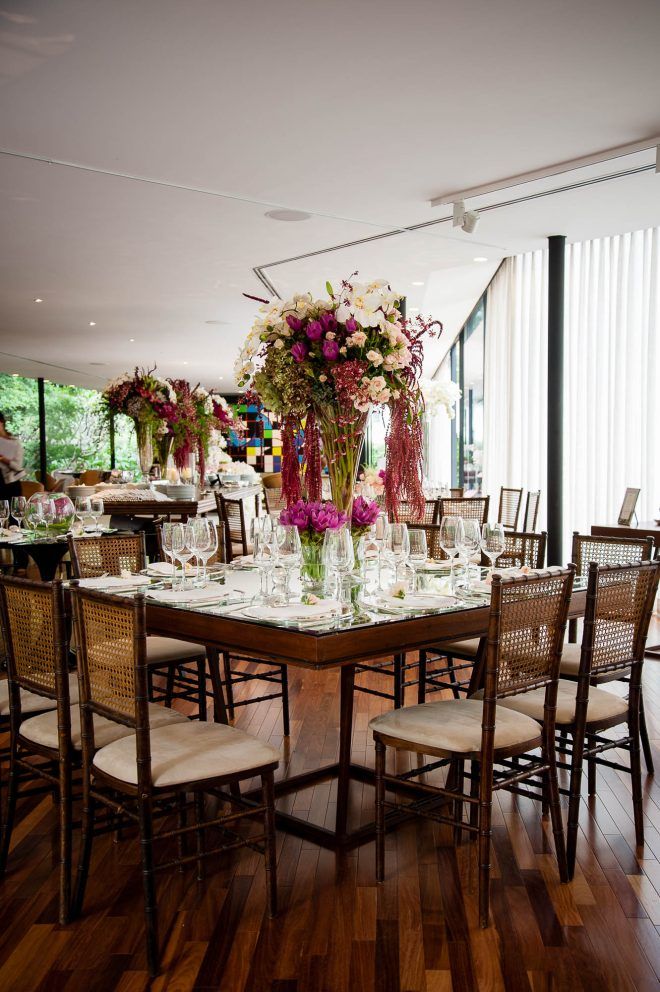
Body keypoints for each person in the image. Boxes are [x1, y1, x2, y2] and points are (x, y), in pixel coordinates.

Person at [0, 410, 25, 503]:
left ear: (1, 422)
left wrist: (3, 459)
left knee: (14, 510)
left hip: (11, 484)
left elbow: (18, 467)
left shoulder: (15, 442)